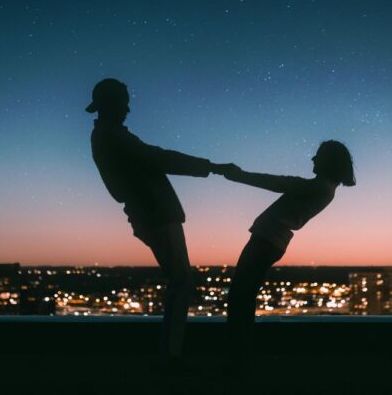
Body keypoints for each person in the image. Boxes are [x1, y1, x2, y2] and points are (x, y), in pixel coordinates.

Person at [86, 78, 233, 363]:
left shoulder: (109, 136)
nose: (129, 108)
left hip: (150, 213)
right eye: (124, 102)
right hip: (155, 213)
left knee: (180, 281)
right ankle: (170, 356)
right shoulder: (113, 137)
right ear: (112, 104)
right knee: (182, 282)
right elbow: (160, 158)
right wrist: (211, 167)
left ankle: (170, 353)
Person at [222, 140, 355, 359]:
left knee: (240, 297)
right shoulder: (324, 189)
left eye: (318, 155)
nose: (312, 159)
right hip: (272, 241)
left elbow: (278, 183)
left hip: (266, 240)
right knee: (243, 296)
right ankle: (239, 354)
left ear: (329, 161)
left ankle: (238, 356)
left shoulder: (319, 187)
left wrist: (240, 175)